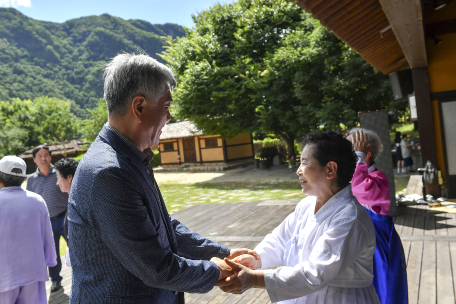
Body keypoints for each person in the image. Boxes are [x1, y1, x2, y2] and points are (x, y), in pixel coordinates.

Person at [68, 53, 256, 303]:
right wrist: (216, 270)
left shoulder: (129, 157)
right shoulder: (109, 172)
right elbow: (156, 267)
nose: (169, 117)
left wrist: (222, 253)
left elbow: (161, 226)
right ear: (139, 107)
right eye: (166, 107)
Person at [218, 131, 380, 303]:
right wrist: (256, 259)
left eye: (304, 163)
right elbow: (281, 240)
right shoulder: (307, 205)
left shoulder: (349, 218)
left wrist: (254, 279)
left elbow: (315, 273)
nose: (298, 171)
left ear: (330, 169)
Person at [347, 128, 408, 304]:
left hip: (378, 248)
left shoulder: (377, 179)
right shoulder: (356, 177)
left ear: (365, 155)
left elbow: (359, 188)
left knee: (383, 294)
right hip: (360, 247)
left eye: (351, 152)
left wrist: (357, 154)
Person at [0, 156, 57, 304]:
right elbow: (47, 236)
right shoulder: (37, 200)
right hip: (33, 271)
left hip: (3, 276)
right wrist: (50, 260)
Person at [26, 146, 69, 292]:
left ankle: (83, 274)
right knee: (52, 253)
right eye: (39, 156)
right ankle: (56, 280)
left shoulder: (59, 172)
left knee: (76, 247)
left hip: (65, 217)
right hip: (46, 222)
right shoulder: (31, 180)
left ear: (50, 157)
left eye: (46, 155)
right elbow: (30, 202)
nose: (43, 158)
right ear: (34, 159)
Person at [54, 157, 79, 267]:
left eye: (58, 177)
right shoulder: (73, 200)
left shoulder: (78, 202)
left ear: (69, 177)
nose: (57, 183)